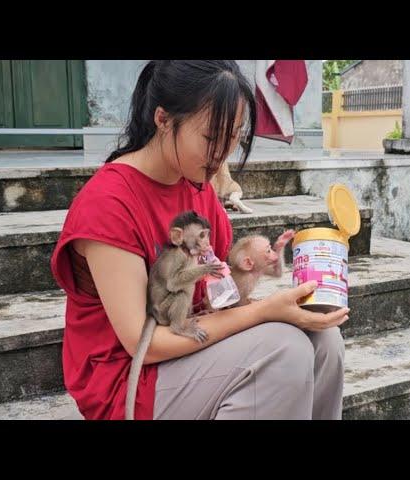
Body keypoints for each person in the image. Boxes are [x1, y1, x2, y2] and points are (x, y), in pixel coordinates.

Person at [50, 60, 348, 420]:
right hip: (131, 377)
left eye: (234, 136)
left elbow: (216, 298)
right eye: (211, 137)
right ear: (162, 120)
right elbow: (144, 344)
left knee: (324, 340)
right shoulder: (108, 204)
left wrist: (280, 299)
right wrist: (264, 312)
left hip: (191, 345)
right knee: (283, 350)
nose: (222, 153)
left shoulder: (197, 187)